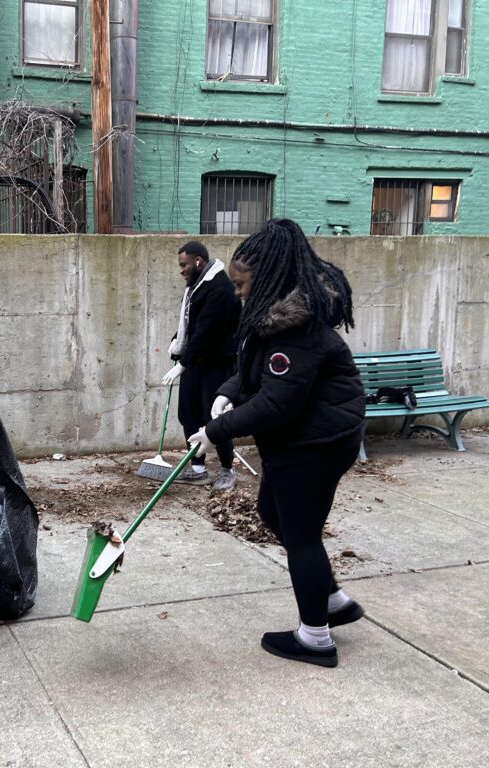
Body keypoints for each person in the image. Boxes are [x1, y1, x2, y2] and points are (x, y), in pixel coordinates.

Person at [189, 218, 366, 668]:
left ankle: (315, 639)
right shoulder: (276, 318)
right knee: (272, 513)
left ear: (267, 279)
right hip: (306, 439)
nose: (236, 292)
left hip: (316, 443)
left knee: (302, 535)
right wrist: (229, 390)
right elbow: (255, 372)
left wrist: (214, 433)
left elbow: (276, 405)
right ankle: (334, 603)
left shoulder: (296, 328)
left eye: (241, 284)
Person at [162, 241, 242, 491]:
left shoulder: (219, 289)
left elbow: (207, 333)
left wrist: (182, 364)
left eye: (184, 265)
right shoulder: (196, 286)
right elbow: (191, 320)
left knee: (215, 417)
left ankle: (228, 468)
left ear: (198, 261)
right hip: (196, 362)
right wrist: (177, 339)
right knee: (189, 414)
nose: (181, 270)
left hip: (217, 365)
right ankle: (197, 467)